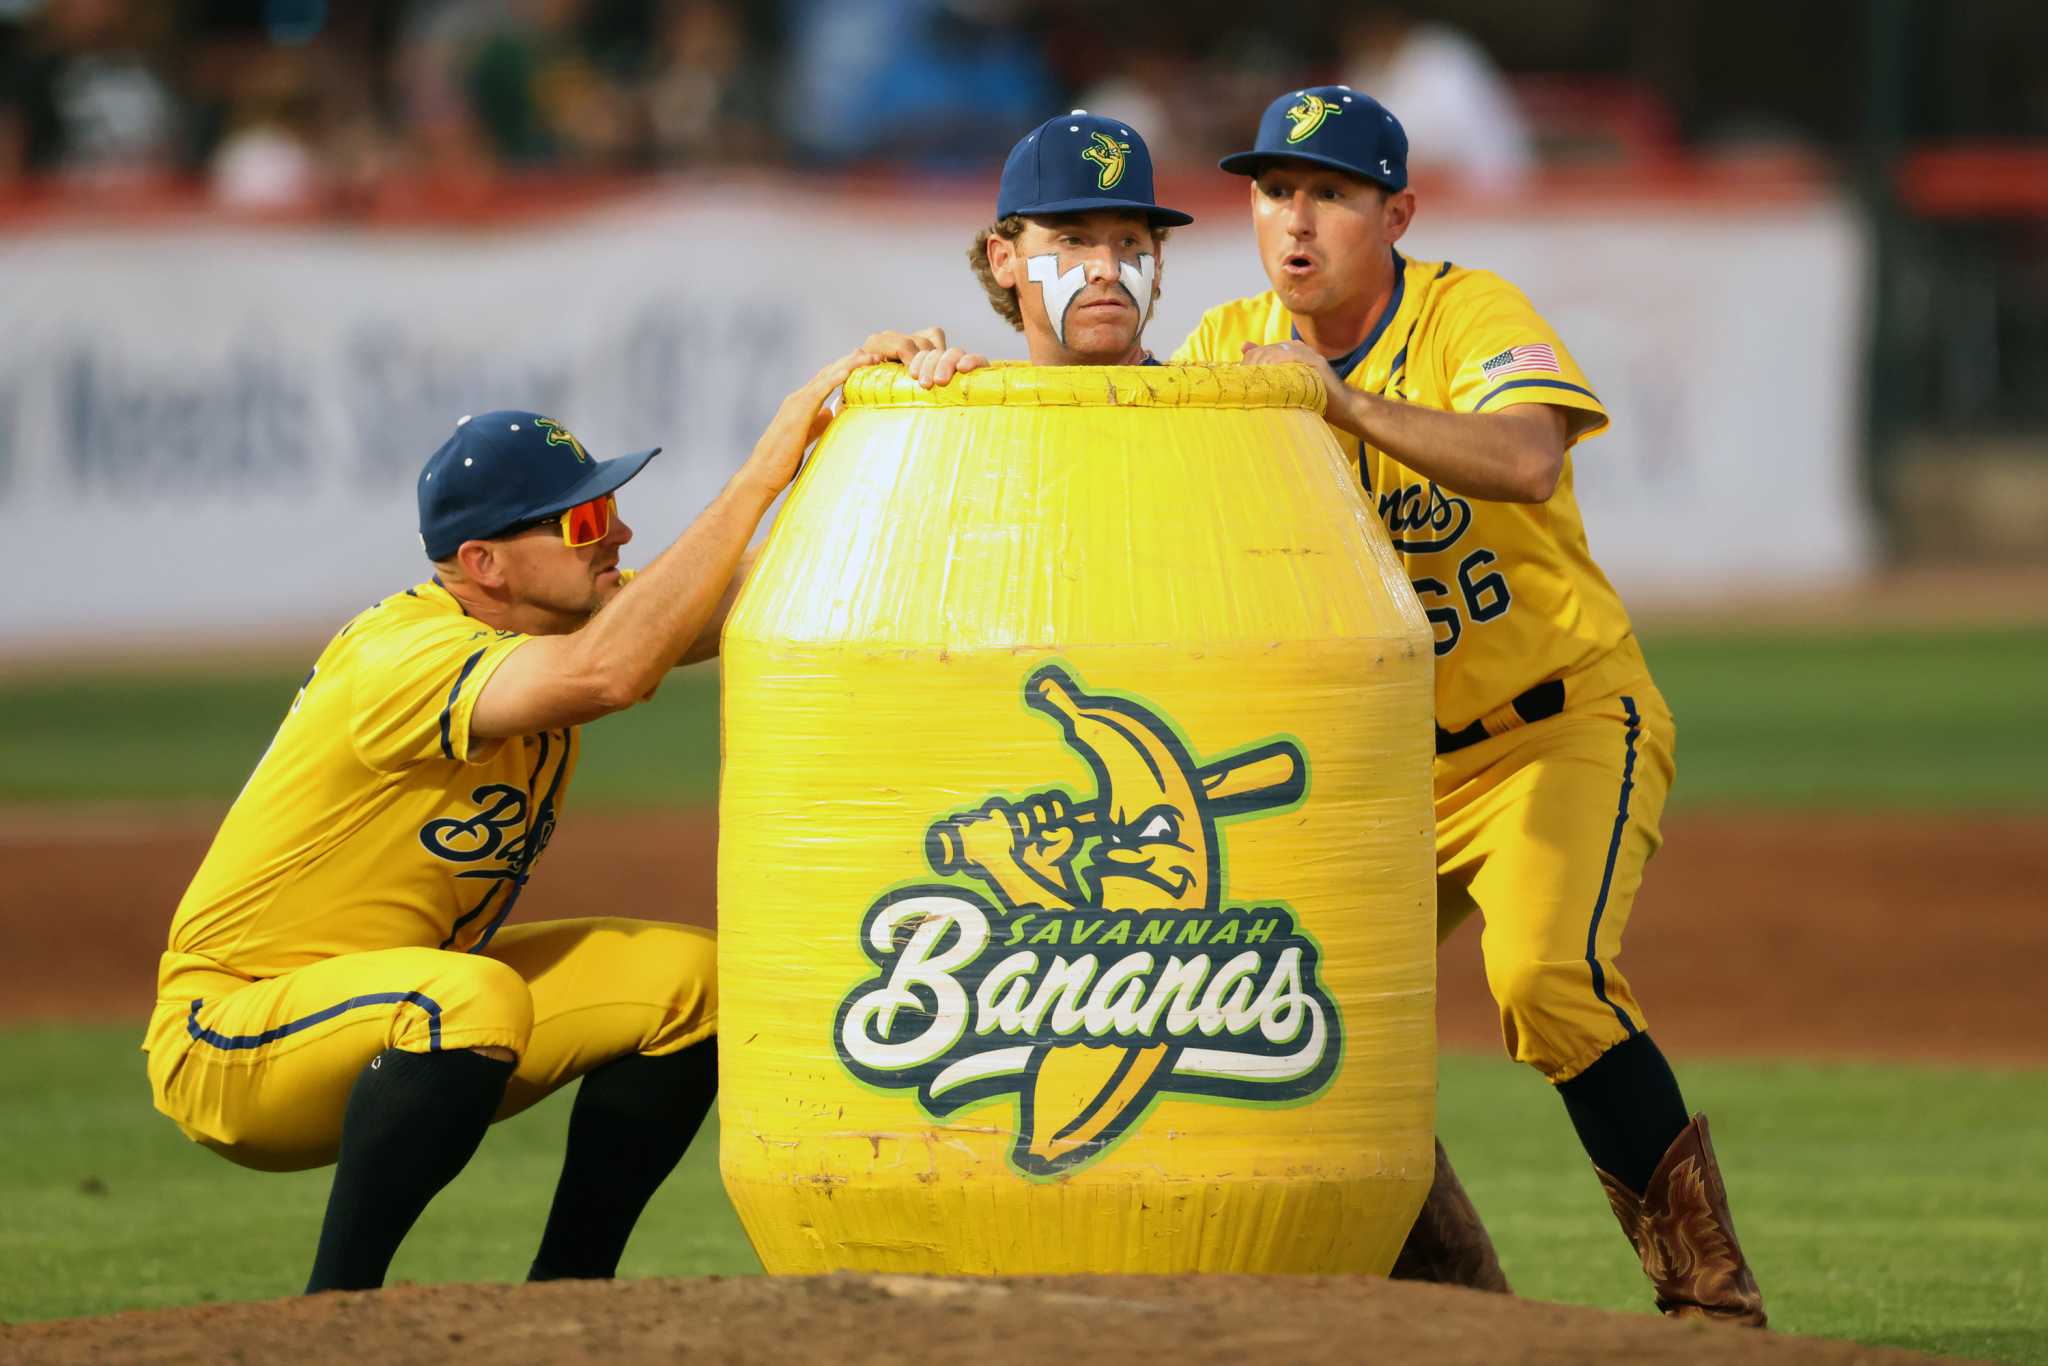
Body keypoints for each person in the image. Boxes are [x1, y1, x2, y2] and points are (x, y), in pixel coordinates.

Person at [1173, 86, 1765, 1324]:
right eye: (1273, 190)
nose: (1294, 220)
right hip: (1381, 770)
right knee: (1274, 1011)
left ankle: (1707, 1301)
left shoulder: (1463, 312)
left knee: (1545, 975)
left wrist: (1339, 403)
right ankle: (1454, 1301)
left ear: (1395, 211)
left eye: (1329, 194)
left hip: (1555, 724)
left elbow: (1526, 457)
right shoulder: (1224, 346)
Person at [142, 351, 873, 1294]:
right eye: (584, 521)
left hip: (398, 1008)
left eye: (608, 512)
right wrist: (762, 470)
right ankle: (333, 1318)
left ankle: (564, 1303)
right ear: (483, 563)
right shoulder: (402, 655)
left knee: (694, 986)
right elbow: (615, 672)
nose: (616, 535)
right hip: (236, 1032)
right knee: (465, 1000)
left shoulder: (556, 626)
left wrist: (883, 450)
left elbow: (742, 588)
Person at [871, 108, 1191, 384]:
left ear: (1157, 260)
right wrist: (912, 399)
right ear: (1002, 259)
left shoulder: (1212, 414)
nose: (1107, 270)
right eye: (1073, 240)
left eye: (1127, 241)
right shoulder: (974, 419)